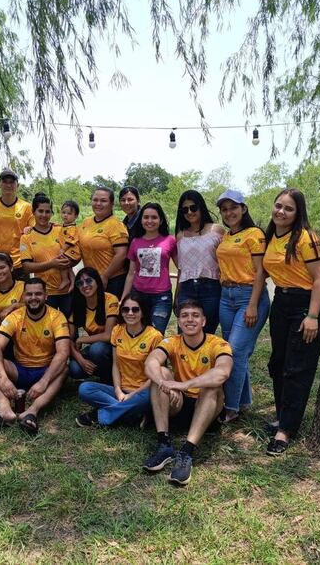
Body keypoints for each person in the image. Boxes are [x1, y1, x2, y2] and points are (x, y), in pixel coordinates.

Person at [263, 188, 320, 456]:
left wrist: (312, 316)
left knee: (296, 368)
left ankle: (286, 430)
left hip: (305, 305)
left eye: (288, 208)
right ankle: (283, 415)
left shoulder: (307, 238)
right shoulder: (272, 236)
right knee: (277, 363)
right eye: (279, 205)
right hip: (281, 301)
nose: (281, 211)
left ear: (298, 212)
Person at [142, 299, 233, 486]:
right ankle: (164, 444)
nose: (189, 320)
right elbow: (150, 362)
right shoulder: (172, 342)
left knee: (212, 385)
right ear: (179, 321)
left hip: (207, 408)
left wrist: (183, 385)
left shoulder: (218, 343)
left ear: (204, 321)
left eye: (195, 315)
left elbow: (223, 372)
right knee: (161, 372)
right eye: (184, 315)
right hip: (179, 405)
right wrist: (164, 383)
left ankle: (187, 452)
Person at [0, 278, 70, 434]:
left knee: (64, 367)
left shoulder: (57, 316)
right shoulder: (16, 316)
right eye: (29, 294)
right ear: (24, 296)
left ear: (46, 296)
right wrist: (3, 379)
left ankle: (32, 411)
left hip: (45, 370)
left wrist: (44, 381)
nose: (33, 298)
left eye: (38, 294)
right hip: (20, 369)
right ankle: (4, 409)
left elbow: (63, 352)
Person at [216, 189, 270, 423]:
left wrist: (253, 304)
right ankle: (243, 400)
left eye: (233, 208)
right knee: (235, 352)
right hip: (225, 297)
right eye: (224, 209)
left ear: (243, 209)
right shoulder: (227, 236)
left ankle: (230, 407)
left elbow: (261, 271)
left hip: (248, 295)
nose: (229, 213)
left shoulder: (254, 234)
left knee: (235, 352)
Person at [76, 294, 163, 427]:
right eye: (125, 309)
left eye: (135, 309)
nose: (130, 313)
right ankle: (133, 414)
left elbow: (157, 375)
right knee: (85, 388)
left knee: (149, 398)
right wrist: (118, 390)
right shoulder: (117, 331)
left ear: (143, 312)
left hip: (143, 392)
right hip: (121, 390)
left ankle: (99, 416)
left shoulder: (155, 336)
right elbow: (116, 365)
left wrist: (133, 394)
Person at [174, 190, 225, 334]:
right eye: (185, 209)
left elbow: (226, 261)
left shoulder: (217, 230)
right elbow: (181, 269)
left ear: (201, 207)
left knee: (207, 333)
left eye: (193, 207)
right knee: (185, 333)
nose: (189, 212)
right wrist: (177, 296)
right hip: (187, 289)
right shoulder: (180, 236)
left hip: (212, 288)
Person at [122, 203, 177, 334]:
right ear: (141, 220)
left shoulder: (170, 240)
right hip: (138, 294)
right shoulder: (135, 241)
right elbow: (131, 273)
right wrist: (124, 298)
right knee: (138, 332)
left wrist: (179, 293)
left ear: (161, 220)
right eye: (146, 217)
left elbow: (181, 268)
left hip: (161, 296)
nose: (150, 221)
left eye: (154, 217)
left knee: (156, 334)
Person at [20, 193, 77, 316]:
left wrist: (72, 278)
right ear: (33, 212)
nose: (44, 215)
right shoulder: (26, 237)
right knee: (47, 327)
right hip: (44, 293)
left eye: (48, 211)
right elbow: (26, 267)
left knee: (70, 325)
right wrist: (52, 264)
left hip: (66, 291)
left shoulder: (60, 229)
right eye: (40, 211)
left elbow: (75, 252)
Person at [68, 268, 120, 383]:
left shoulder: (110, 299)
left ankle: (109, 379)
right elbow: (69, 339)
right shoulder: (77, 305)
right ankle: (101, 370)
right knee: (74, 368)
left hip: (114, 348)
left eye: (89, 281)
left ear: (97, 281)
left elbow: (108, 335)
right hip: (94, 348)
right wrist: (81, 360)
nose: (85, 285)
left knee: (97, 349)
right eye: (80, 283)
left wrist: (82, 339)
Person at [78, 187, 130, 297]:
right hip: (91, 280)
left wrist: (105, 276)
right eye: (95, 200)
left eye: (103, 200)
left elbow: (121, 254)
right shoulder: (86, 222)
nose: (98, 203)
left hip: (113, 280)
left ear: (111, 204)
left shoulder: (116, 225)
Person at [0, 168, 34, 273]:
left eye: (12, 182)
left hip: (19, 262)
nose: (8, 185)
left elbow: (34, 230)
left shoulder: (27, 207)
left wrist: (31, 229)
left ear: (17, 185)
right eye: (5, 182)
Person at [57, 200, 81, 294]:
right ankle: (73, 282)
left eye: (69, 213)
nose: (65, 215)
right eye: (63, 212)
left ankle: (65, 279)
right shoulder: (64, 226)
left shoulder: (72, 228)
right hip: (68, 251)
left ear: (75, 216)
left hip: (72, 251)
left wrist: (62, 249)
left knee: (62, 262)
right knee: (68, 268)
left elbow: (70, 241)